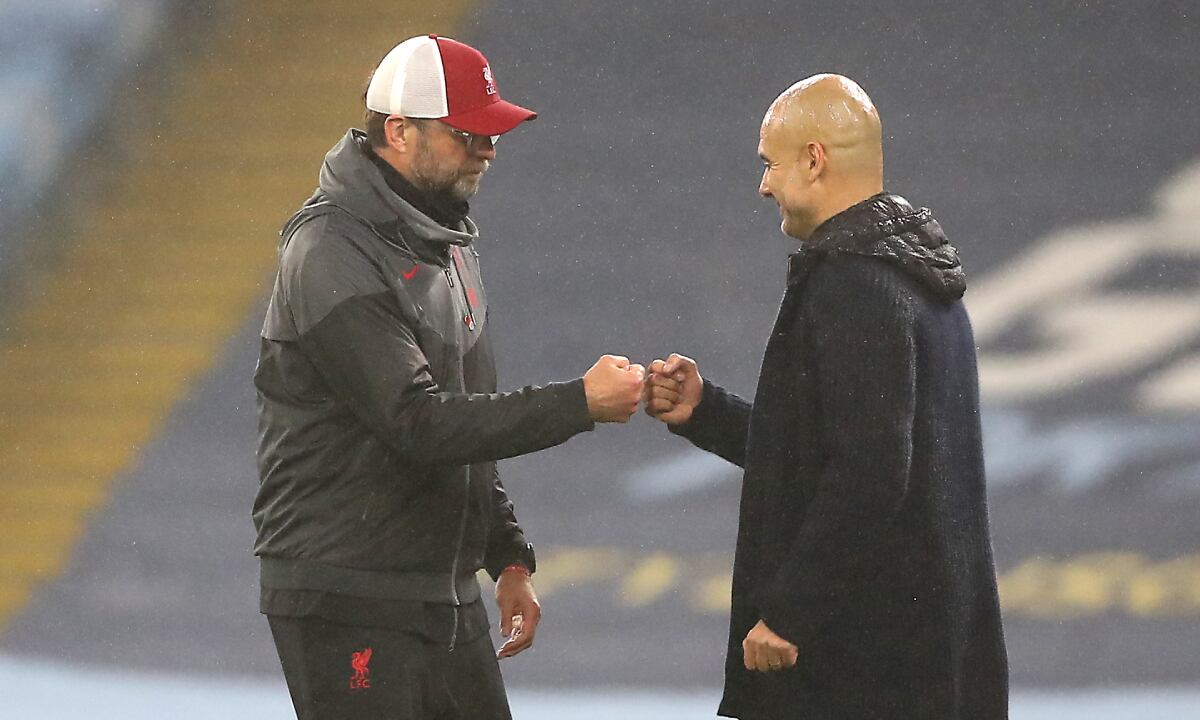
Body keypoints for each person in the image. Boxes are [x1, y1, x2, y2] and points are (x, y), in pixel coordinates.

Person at [252, 35, 645, 719]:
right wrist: (579, 403)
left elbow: (464, 419)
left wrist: (507, 556)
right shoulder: (330, 249)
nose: (488, 150)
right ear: (398, 132)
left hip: (434, 589)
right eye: (469, 134)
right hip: (349, 593)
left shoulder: (446, 243)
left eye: (492, 134)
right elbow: (419, 423)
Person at [644, 74, 1009, 719]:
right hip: (931, 647)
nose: (763, 185)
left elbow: (869, 471)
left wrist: (789, 612)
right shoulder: (914, 270)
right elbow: (828, 449)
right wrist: (705, 412)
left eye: (769, 163)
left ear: (813, 160)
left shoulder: (853, 281)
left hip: (864, 664)